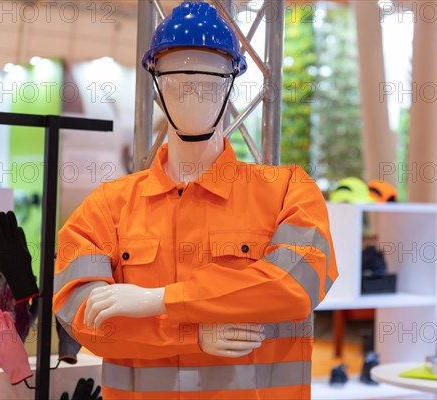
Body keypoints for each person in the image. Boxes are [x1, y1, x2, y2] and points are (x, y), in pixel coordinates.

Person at [53, 2, 337, 399]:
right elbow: (82, 317)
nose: (192, 95)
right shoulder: (107, 207)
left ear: (231, 83)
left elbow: (294, 285)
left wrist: (158, 300)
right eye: (176, 81)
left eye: (209, 81)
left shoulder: (289, 191)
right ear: (156, 83)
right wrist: (190, 334)